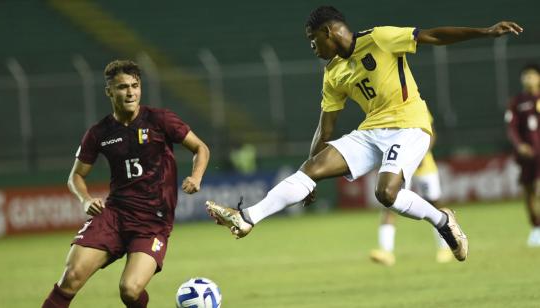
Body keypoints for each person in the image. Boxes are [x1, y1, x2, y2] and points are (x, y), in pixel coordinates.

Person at [206, 6, 522, 262]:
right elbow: (325, 126)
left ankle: (443, 221)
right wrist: (310, 174)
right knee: (310, 168)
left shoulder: (380, 38)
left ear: (327, 31)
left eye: (312, 39)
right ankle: (247, 217)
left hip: (410, 126)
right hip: (372, 131)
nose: (312, 46)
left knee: (386, 194)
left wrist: (486, 31)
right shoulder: (333, 73)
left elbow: (433, 36)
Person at [42, 60, 210, 308]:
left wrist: (196, 177)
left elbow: (200, 148)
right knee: (71, 277)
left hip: (153, 222)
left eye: (135, 85)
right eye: (122, 87)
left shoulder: (159, 119)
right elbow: (75, 176)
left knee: (130, 290)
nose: (130, 92)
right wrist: (86, 199)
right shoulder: (99, 133)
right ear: (109, 91)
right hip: (114, 216)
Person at [369, 114, 452, 265]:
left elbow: (431, 133)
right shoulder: (387, 108)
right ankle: (386, 252)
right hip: (400, 164)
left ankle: (446, 247)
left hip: (423, 164)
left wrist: (422, 154)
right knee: (390, 203)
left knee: (435, 204)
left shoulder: (416, 104)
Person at [505, 64, 540, 247]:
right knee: (528, 192)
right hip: (527, 154)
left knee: (538, 187)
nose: (529, 79)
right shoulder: (517, 102)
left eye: (532, 76)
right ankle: (536, 228)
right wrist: (519, 146)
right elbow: (511, 128)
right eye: (526, 76)